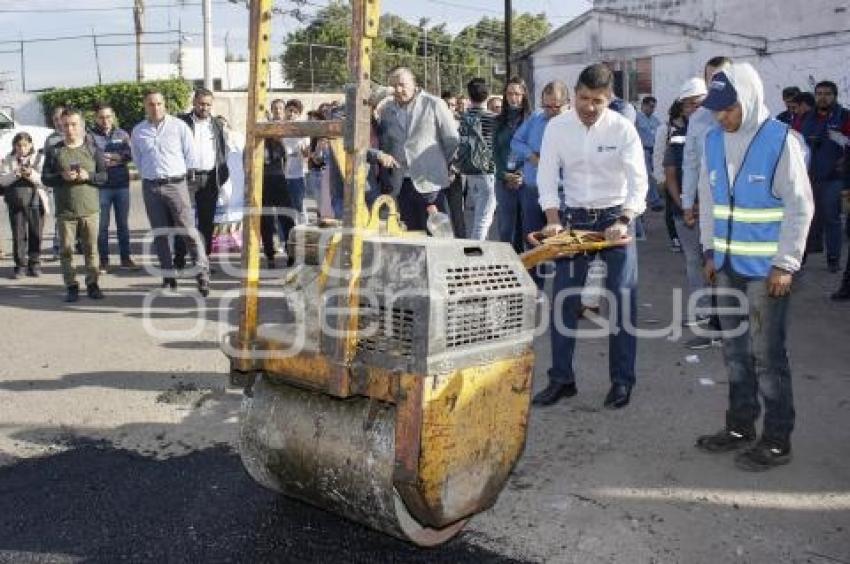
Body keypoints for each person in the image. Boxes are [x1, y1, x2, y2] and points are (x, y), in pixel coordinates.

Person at [695, 63, 813, 471]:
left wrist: (786, 263)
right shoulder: (712, 140)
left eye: (728, 109)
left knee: (767, 358)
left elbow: (800, 206)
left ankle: (778, 440)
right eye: (716, 109)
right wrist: (709, 250)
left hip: (767, 271)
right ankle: (740, 428)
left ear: (747, 99)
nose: (721, 116)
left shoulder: (782, 141)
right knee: (735, 353)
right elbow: (708, 200)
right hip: (727, 266)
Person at [533, 63, 648, 410]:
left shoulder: (623, 129)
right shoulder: (557, 127)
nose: (588, 107)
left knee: (622, 301)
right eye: (583, 98)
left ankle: (622, 382)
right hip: (574, 221)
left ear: (609, 97)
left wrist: (625, 219)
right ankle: (561, 379)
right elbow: (547, 175)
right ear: (575, 93)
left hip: (615, 219)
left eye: (597, 100)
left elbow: (639, 180)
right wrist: (552, 220)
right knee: (564, 302)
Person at [131, 90, 209, 296]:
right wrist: (150, 175)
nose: (155, 108)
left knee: (188, 232)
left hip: (176, 185)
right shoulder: (138, 131)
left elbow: (191, 156)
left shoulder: (179, 127)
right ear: (145, 106)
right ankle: (168, 277)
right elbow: (138, 160)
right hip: (151, 187)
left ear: (164, 105)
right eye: (150, 104)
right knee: (160, 234)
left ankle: (202, 275)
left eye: (158, 104)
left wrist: (184, 182)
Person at [664, 78, 722, 348]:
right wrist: (685, 204)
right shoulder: (679, 132)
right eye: (687, 103)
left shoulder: (722, 124)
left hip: (712, 208)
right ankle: (705, 312)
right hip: (688, 207)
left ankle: (717, 318)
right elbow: (675, 170)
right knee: (694, 261)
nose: (691, 108)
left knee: (715, 262)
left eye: (695, 102)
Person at [378, 67, 459, 232]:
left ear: (414, 83)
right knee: (410, 234)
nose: (398, 89)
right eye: (394, 86)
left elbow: (452, 140)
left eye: (402, 84)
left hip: (430, 183)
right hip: (401, 183)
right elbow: (385, 143)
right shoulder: (387, 111)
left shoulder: (434, 103)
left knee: (437, 233)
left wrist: (439, 163)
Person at [41, 108, 107, 302]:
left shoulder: (93, 149)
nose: (69, 129)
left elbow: (104, 177)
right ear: (60, 126)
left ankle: (93, 284)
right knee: (66, 251)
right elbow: (46, 178)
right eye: (65, 125)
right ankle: (71, 286)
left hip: (90, 210)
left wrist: (89, 176)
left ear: (82, 126)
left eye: (74, 124)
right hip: (65, 212)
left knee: (91, 249)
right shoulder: (54, 151)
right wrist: (61, 177)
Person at [510, 80, 569, 281]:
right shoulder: (536, 118)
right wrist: (531, 156)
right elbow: (516, 141)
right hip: (532, 190)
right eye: (547, 105)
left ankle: (565, 290)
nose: (551, 110)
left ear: (568, 103)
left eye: (556, 106)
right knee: (533, 241)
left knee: (562, 244)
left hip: (562, 193)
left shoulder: (573, 124)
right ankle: (535, 289)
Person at [799, 80, 850, 272]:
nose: (822, 97)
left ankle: (833, 259)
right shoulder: (805, 118)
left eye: (827, 93)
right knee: (805, 217)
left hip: (834, 178)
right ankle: (799, 257)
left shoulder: (844, 116)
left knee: (832, 218)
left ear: (835, 96)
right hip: (808, 178)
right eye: (819, 93)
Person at [175, 88, 230, 267]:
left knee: (206, 223)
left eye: (208, 104)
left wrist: (221, 176)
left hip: (209, 179)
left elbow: (221, 151)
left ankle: (203, 260)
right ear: (194, 103)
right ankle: (179, 258)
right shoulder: (181, 122)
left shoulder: (216, 125)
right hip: (187, 179)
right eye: (201, 103)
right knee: (183, 220)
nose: (204, 107)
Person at [681, 56, 732, 229]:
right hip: (710, 201)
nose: (717, 83)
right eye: (711, 79)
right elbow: (690, 164)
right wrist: (687, 202)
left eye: (722, 77)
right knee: (710, 253)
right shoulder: (697, 119)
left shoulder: (751, 118)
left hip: (743, 204)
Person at [89, 103, 136, 272]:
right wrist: (104, 159)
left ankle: (126, 258)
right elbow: (90, 155)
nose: (105, 120)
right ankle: (103, 260)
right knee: (102, 226)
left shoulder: (122, 134)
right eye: (101, 117)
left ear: (113, 116)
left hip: (122, 185)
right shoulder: (90, 136)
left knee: (123, 224)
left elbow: (131, 153)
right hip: (101, 187)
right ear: (96, 118)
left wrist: (119, 157)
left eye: (108, 116)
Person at [0, 132, 47, 278]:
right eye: (18, 145)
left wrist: (30, 173)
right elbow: (2, 180)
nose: (21, 148)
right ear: (14, 146)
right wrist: (15, 174)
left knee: (35, 233)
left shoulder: (39, 158)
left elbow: (45, 181)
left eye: (25, 145)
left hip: (35, 200)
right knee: (18, 235)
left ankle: (34, 264)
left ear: (31, 145)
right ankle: (20, 265)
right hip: (15, 201)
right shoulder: (8, 159)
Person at [493, 77, 532, 253]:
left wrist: (522, 174)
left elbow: (535, 151)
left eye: (517, 93)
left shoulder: (532, 121)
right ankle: (508, 264)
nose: (513, 97)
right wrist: (504, 175)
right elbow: (495, 151)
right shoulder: (498, 121)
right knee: (506, 228)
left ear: (524, 95)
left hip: (526, 179)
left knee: (526, 227)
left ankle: (528, 266)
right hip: (503, 179)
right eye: (509, 93)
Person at [457, 77, 497, 240]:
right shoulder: (492, 118)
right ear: (487, 95)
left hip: (469, 170)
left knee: (477, 215)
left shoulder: (463, 117)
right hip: (487, 170)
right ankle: (476, 252)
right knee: (484, 218)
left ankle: (481, 249)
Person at [261, 98, 290, 267]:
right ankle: (270, 254)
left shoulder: (290, 127)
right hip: (265, 177)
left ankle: (290, 250)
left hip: (280, 177)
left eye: (281, 108)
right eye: (275, 108)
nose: (278, 111)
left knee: (287, 217)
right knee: (266, 219)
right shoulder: (265, 127)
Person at [635, 95, 664, 211]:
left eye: (654, 107)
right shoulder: (636, 118)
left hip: (654, 151)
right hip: (643, 150)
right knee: (648, 176)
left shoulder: (655, 120)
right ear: (643, 105)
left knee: (655, 175)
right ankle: (654, 201)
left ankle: (651, 199)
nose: (652, 109)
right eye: (650, 106)